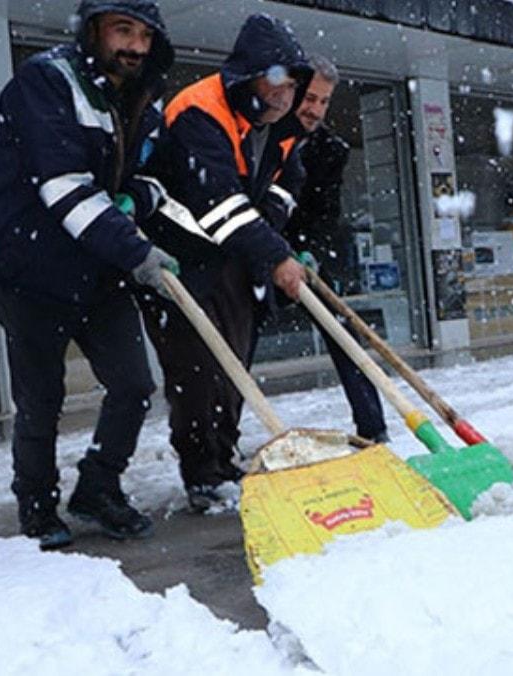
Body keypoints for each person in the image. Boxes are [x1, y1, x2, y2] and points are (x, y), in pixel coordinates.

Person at [0, 0, 178, 548]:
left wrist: (134, 201)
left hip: (98, 263)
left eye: (143, 35)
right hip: (32, 266)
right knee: (42, 399)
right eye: (122, 30)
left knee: (135, 386)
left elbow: (156, 177)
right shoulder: (43, 84)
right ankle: (37, 507)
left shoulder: (139, 100)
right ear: (93, 31)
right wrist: (134, 247)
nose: (134, 46)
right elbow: (63, 185)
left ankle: (98, 487)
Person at [139, 13, 311, 512]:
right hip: (178, 258)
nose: (285, 94)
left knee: (234, 363)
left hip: (233, 257)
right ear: (248, 74)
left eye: (293, 83)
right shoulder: (199, 111)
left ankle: (224, 457)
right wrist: (274, 254)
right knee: (196, 367)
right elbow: (218, 204)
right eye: (276, 78)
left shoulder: (276, 127)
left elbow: (286, 183)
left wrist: (269, 226)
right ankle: (202, 474)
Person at [287, 54, 387, 442]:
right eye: (309, 98)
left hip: (308, 252)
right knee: (235, 340)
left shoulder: (330, 148)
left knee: (344, 334)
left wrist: (310, 250)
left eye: (323, 101)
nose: (314, 109)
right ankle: (214, 452)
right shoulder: (261, 136)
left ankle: (373, 429)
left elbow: (326, 210)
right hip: (259, 246)